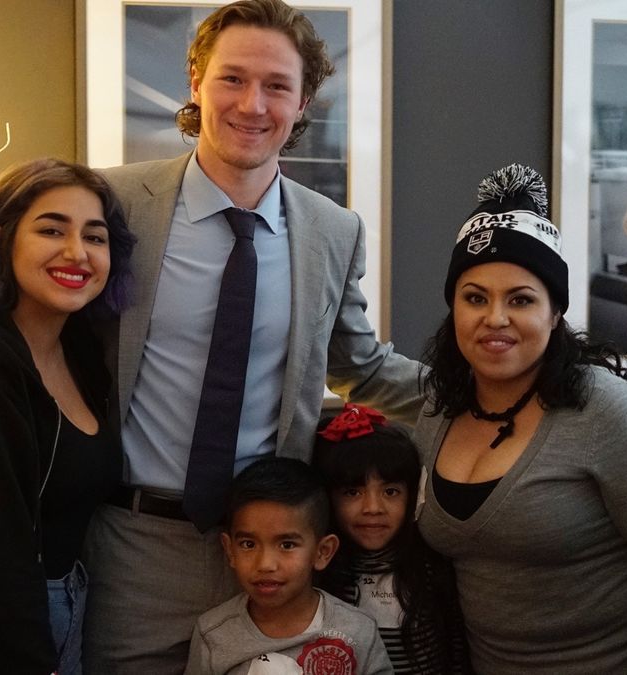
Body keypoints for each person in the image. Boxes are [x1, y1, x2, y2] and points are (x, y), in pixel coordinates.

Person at [84, 1, 422, 670]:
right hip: (135, 549)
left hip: (268, 559)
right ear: (195, 82)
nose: (253, 104)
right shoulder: (113, 204)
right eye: (233, 79)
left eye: (276, 86)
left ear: (302, 104)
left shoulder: (333, 231)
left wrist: (510, 389)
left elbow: (361, 366)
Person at [415, 163, 627, 674]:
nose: (495, 318)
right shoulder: (437, 409)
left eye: (521, 299)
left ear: (555, 315)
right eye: (474, 298)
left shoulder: (611, 413)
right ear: (454, 311)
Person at [0, 158, 135, 674]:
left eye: (96, 237)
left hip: (72, 599)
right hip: (0, 630)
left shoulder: (83, 353)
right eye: (51, 229)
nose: (76, 252)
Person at [184, 456, 393, 675]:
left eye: (286, 544)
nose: (265, 564)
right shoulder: (214, 634)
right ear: (230, 551)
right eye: (248, 544)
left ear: (323, 552)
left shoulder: (358, 630)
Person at [313, 403, 471, 674]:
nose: (373, 507)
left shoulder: (430, 566)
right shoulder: (321, 576)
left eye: (390, 492)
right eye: (353, 492)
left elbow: (455, 646)